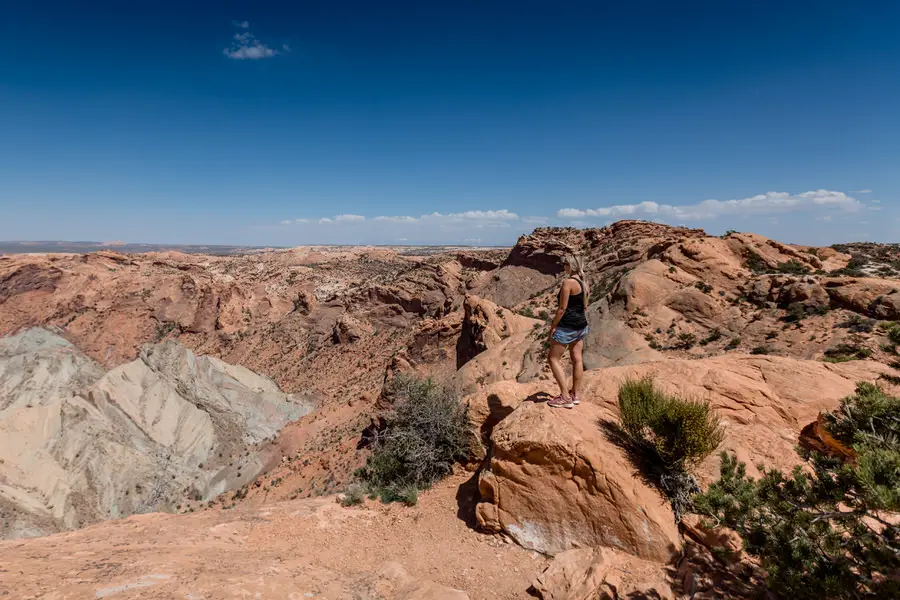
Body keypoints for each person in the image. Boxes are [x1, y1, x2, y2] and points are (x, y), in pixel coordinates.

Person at [547, 254, 590, 408]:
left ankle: (565, 397)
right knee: (577, 358)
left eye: (564, 263)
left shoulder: (568, 283)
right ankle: (575, 395)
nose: (563, 266)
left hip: (567, 326)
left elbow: (562, 309)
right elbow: (585, 307)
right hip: (581, 325)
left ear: (570, 265)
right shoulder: (584, 282)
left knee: (552, 359)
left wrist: (553, 327)